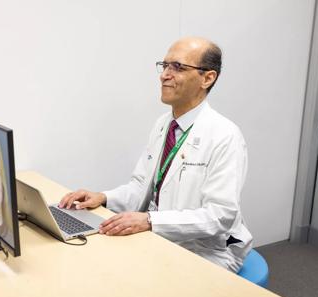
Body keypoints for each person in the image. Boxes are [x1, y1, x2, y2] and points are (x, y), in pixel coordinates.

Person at [60, 36, 252, 274]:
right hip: (161, 237)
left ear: (207, 78)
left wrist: (150, 221)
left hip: (206, 251)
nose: (164, 75)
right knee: (93, 259)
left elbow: (219, 216)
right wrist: (103, 197)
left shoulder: (225, 136)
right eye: (165, 66)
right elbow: (141, 187)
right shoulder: (164, 125)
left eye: (178, 67)